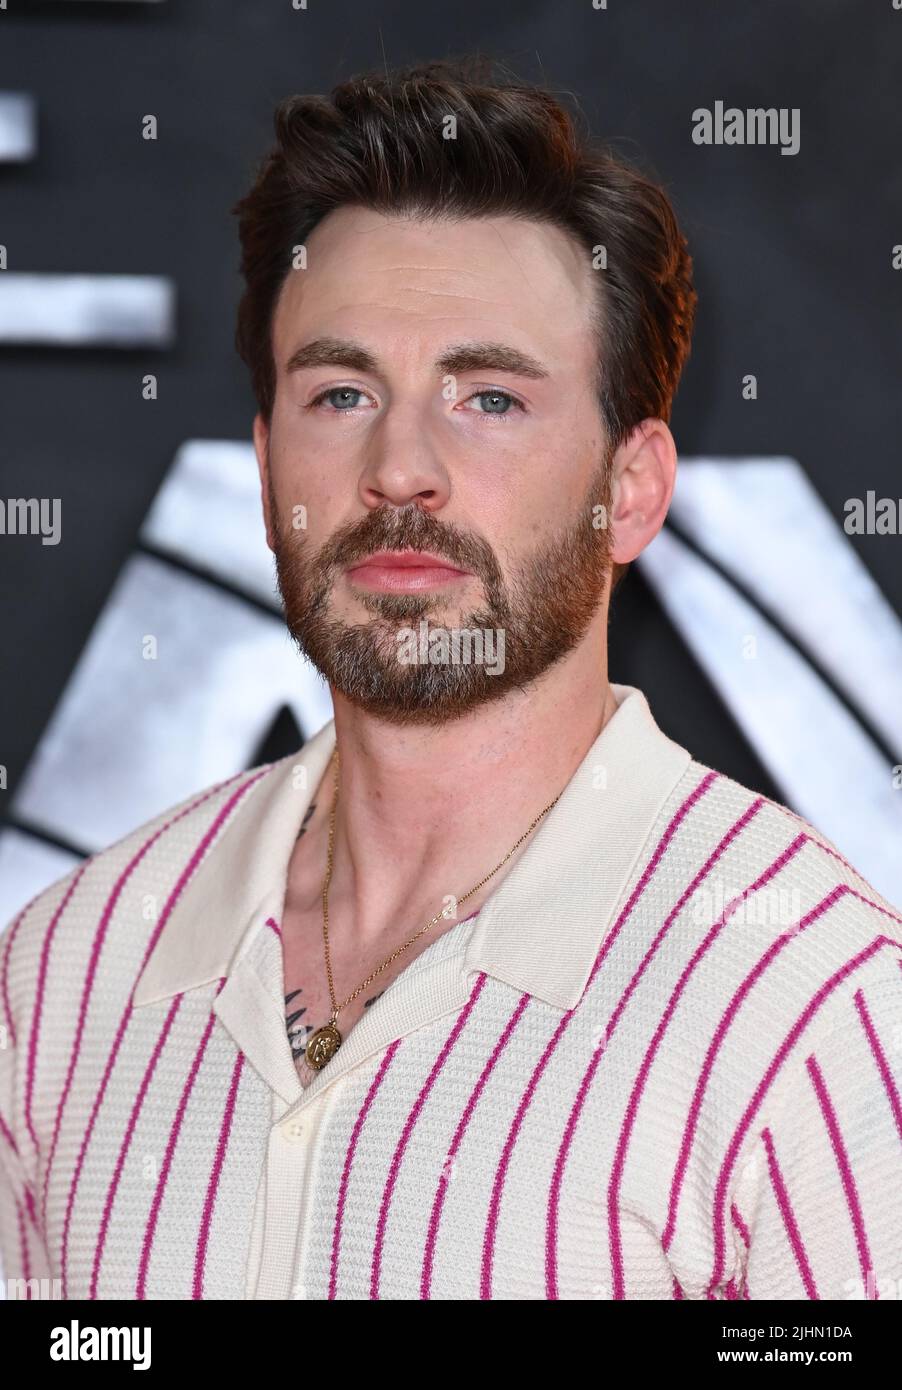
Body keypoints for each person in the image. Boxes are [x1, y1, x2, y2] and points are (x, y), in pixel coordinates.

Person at [2, 57, 900, 1302]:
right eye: (340, 391)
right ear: (268, 470)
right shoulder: (65, 974)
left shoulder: (812, 1010)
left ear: (628, 490)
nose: (399, 467)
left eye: (486, 396)